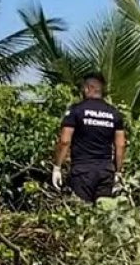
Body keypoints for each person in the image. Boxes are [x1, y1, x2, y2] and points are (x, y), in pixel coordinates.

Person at [52, 74, 126, 204]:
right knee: (103, 214)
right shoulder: (114, 113)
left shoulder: (76, 110)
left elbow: (64, 141)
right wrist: (118, 172)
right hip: (106, 172)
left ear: (87, 88)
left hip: (82, 171)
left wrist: (57, 167)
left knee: (82, 213)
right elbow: (120, 145)